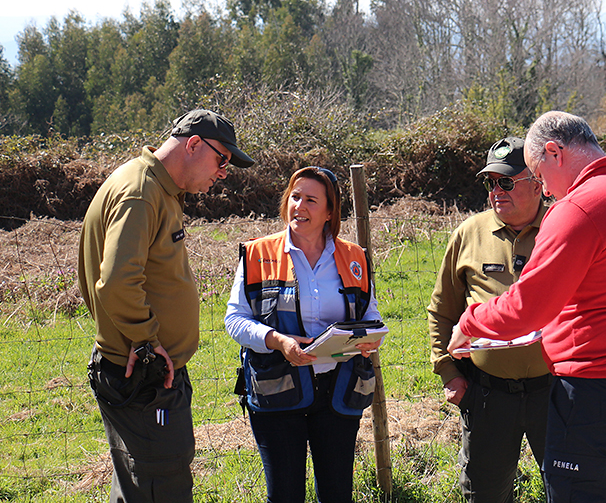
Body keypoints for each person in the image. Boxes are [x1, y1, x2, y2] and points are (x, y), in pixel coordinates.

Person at [448, 111, 606, 503]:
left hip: (600, 397)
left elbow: (528, 307)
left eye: (539, 176)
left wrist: (472, 322)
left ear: (553, 152)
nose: (544, 191)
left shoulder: (580, 207)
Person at [79, 108, 255, 502]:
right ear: (193, 144)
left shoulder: (157, 189)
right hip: (143, 375)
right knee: (162, 484)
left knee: (140, 483)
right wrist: (145, 341)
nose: (224, 171)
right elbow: (118, 281)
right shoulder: (141, 193)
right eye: (221, 159)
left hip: (147, 372)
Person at [225, 166, 383, 503]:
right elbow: (235, 320)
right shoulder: (257, 254)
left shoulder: (354, 257)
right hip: (277, 390)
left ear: (330, 212)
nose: (300, 206)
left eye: (311, 200)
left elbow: (370, 315)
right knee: (285, 495)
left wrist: (368, 338)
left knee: (338, 493)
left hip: (338, 392)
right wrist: (278, 341)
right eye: (295, 197)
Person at [428, 137, 551, 502]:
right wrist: (448, 371)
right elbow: (442, 309)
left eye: (507, 181)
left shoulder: (564, 228)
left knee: (571, 489)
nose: (497, 191)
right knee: (484, 492)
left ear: (539, 183)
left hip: (556, 391)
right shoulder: (469, 233)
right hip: (487, 393)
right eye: (491, 182)